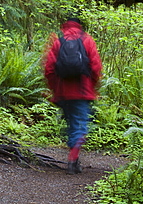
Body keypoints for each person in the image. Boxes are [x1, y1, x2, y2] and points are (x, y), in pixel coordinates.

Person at [44, 17, 102, 174]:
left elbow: (49, 69)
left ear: (65, 27)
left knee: (71, 124)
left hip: (63, 93)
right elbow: (96, 67)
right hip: (82, 91)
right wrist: (93, 85)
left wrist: (55, 88)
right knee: (80, 124)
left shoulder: (59, 42)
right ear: (79, 26)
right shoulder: (87, 41)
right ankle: (72, 160)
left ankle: (73, 157)